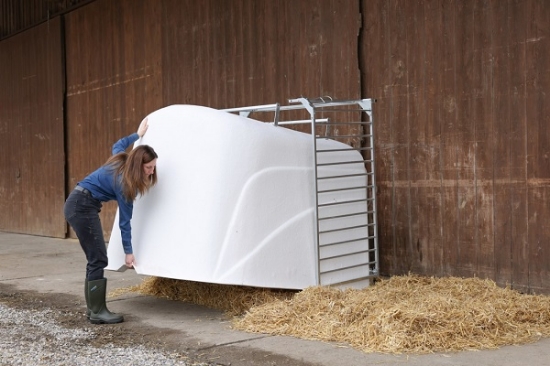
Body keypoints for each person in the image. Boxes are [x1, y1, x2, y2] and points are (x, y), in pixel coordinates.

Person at [64, 118, 158, 324]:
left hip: (78, 203)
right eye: (149, 167)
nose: (152, 171)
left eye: (153, 167)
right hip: (82, 206)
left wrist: (137, 135)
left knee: (94, 258)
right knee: (98, 258)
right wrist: (129, 252)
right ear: (138, 165)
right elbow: (125, 222)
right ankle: (97, 311)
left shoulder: (120, 160)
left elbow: (118, 144)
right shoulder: (125, 185)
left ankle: (93, 310)